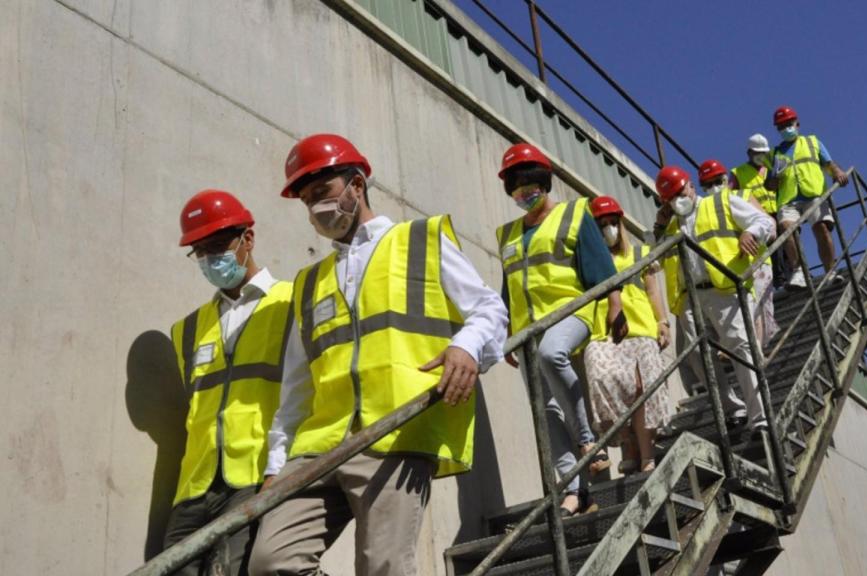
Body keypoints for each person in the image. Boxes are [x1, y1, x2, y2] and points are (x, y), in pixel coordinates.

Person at [249, 134, 507, 576]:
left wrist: (465, 345)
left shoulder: (420, 240)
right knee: (271, 563)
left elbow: (490, 310)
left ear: (356, 185)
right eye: (307, 200)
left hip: (396, 433)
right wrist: (276, 464)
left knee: (383, 566)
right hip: (319, 444)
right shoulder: (310, 283)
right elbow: (296, 384)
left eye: (322, 193)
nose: (315, 208)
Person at [496, 142, 628, 515]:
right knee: (544, 409)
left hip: (571, 311)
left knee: (551, 353)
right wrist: (507, 332)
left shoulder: (573, 213)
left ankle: (589, 441)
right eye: (517, 184)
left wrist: (615, 303)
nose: (524, 190)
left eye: (531, 182)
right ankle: (574, 491)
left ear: (546, 181)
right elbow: (509, 286)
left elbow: (599, 261)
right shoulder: (507, 234)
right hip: (526, 328)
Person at [165, 190, 293, 576]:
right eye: (200, 251)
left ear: (247, 239)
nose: (210, 258)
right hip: (195, 483)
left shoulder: (291, 302)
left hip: (254, 475)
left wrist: (282, 466)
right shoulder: (187, 330)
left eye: (218, 245)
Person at [653, 162, 776, 432]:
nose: (678, 200)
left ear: (690, 186)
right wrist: (659, 227)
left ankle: (761, 417)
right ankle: (733, 408)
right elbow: (654, 261)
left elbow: (765, 221)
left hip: (725, 289)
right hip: (689, 298)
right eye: (670, 198)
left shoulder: (721, 202)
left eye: (679, 192)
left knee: (741, 349)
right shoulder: (670, 226)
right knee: (698, 356)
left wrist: (750, 232)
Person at [584, 196, 674, 475]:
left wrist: (662, 321)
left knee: (642, 388)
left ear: (621, 224)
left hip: (640, 326)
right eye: (601, 225)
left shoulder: (639, 253)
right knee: (604, 379)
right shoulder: (587, 260)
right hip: (605, 330)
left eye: (613, 223)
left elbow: (652, 291)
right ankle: (626, 442)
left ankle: (645, 454)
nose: (608, 229)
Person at [766, 106, 850, 289]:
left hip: (814, 195)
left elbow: (829, 164)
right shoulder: (775, 153)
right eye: (781, 126)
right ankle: (798, 272)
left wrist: (837, 172)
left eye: (789, 124)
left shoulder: (812, 142)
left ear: (797, 124)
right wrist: (775, 177)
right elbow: (769, 185)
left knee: (821, 228)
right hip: (788, 200)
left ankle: (830, 271)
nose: (786, 128)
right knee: (787, 228)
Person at [725, 147, 781, 346]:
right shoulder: (719, 205)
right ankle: (752, 345)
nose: (724, 186)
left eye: (723, 182)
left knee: (757, 302)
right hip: (740, 259)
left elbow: (769, 225)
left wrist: (753, 232)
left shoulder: (746, 194)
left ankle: (757, 345)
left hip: (759, 255)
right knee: (749, 302)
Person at [732, 134, 788, 291]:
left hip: (779, 210)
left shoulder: (773, 166)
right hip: (759, 216)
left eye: (764, 153)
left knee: (790, 243)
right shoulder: (738, 172)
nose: (761, 156)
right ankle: (780, 280)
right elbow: (730, 194)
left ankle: (797, 275)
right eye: (758, 153)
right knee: (772, 249)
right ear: (749, 153)